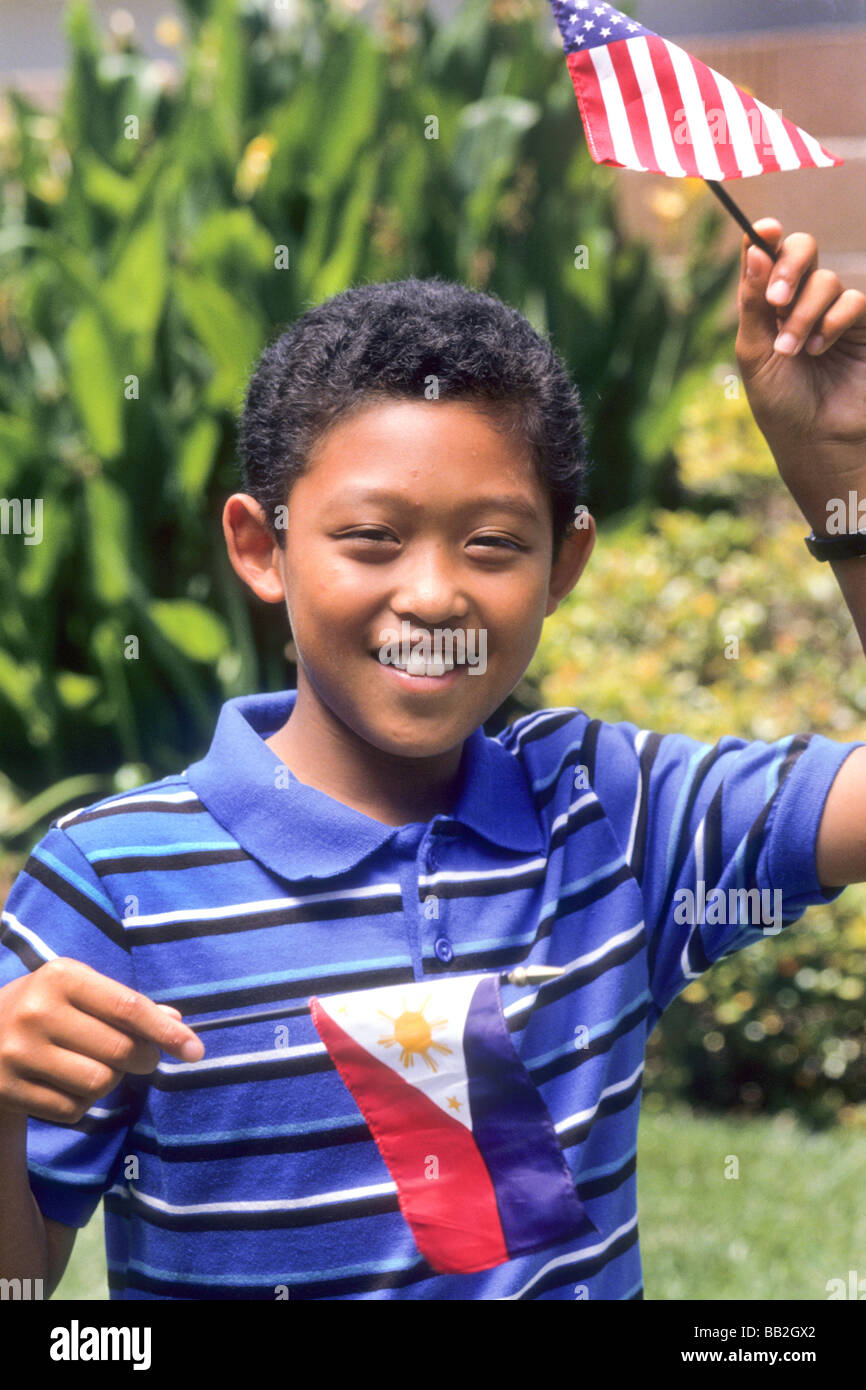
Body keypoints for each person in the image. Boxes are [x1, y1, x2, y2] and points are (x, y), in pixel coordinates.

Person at [1, 219, 865, 1301]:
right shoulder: (113, 886)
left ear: (565, 561)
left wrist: (841, 482)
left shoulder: (612, 812)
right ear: (262, 548)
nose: (433, 594)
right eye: (371, 538)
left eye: (493, 543)